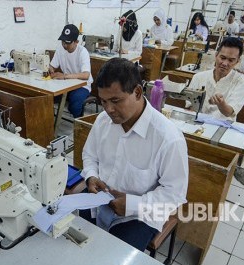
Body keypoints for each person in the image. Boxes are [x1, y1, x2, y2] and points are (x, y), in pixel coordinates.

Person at [80, 58, 188, 251]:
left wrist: (133, 204)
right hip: (99, 198)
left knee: (112, 259)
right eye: (103, 101)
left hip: (139, 215)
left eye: (115, 101)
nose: (108, 109)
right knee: (71, 236)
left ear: (137, 92)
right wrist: (91, 176)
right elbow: (90, 155)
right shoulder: (103, 121)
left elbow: (174, 194)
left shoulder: (168, 138)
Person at [188, 37, 244, 121]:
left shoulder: (241, 81)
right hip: (198, 122)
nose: (225, 63)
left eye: (231, 60)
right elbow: (190, 107)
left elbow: (229, 112)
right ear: (216, 55)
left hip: (223, 125)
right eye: (222, 58)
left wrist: (221, 104)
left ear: (237, 61)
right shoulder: (199, 77)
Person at [49, 24, 93, 118]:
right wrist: (50, 70)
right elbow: (52, 66)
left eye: (67, 43)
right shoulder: (61, 49)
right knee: (47, 97)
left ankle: (79, 122)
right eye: (63, 42)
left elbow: (86, 75)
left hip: (82, 85)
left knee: (75, 104)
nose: (64, 45)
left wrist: (64, 76)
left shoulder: (82, 52)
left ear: (76, 42)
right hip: (66, 84)